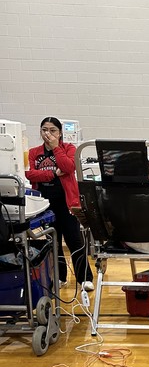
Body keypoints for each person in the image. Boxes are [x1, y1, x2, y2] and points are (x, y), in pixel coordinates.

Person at [26, 117, 94, 291]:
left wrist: (56, 148)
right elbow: (31, 175)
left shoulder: (69, 149)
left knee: (74, 240)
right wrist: (54, 174)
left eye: (52, 130)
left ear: (60, 132)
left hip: (66, 202)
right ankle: (59, 276)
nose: (48, 133)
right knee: (52, 242)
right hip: (44, 203)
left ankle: (84, 278)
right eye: (44, 129)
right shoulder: (34, 152)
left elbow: (69, 167)